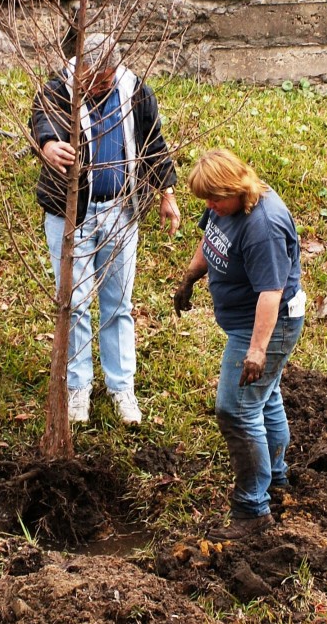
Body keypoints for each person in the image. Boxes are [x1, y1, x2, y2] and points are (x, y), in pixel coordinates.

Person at [31, 32, 180, 426]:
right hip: (72, 216)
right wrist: (47, 146)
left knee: (118, 304)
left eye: (109, 75)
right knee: (75, 303)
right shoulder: (56, 90)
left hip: (121, 212)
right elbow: (41, 122)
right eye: (96, 77)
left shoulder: (135, 91)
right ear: (78, 69)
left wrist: (166, 192)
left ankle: (121, 388)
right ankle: (78, 388)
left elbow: (153, 143)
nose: (104, 83)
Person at [173, 148, 305, 541]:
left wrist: (258, 350)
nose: (210, 206)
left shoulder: (262, 225)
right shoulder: (225, 206)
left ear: (235, 187)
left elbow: (270, 292)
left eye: (214, 198)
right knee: (265, 401)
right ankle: (277, 481)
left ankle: (252, 509)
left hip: (268, 325)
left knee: (236, 410)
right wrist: (191, 276)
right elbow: (209, 237)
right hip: (250, 323)